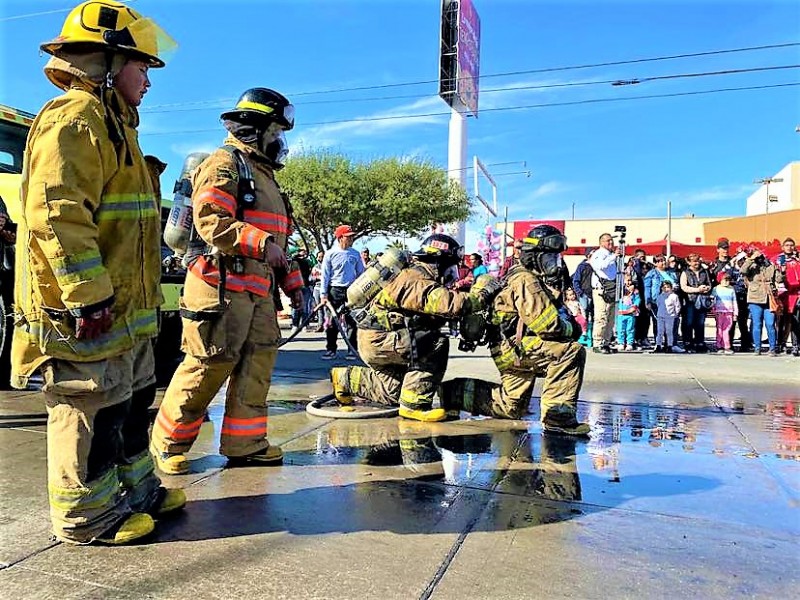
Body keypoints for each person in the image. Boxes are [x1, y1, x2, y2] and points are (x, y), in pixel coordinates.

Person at [10, 1, 183, 545]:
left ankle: (133, 492)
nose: (148, 80)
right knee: (85, 405)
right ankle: (86, 518)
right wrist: (86, 295)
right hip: (87, 309)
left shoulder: (115, 126)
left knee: (125, 404)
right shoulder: (73, 118)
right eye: (141, 67)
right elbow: (55, 214)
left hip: (124, 310)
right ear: (107, 64)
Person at [150, 87, 303, 474]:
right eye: (276, 132)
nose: (280, 142)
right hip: (220, 287)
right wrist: (260, 242)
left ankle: (246, 443)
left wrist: (296, 288)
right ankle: (167, 445)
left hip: (257, 293)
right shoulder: (224, 164)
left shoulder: (265, 177)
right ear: (256, 128)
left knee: (257, 366)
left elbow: (280, 246)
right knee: (206, 367)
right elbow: (211, 222)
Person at [438, 225, 591, 437]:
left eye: (556, 257)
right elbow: (547, 327)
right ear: (535, 256)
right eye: (549, 257)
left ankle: (452, 392)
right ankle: (558, 418)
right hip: (514, 348)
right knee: (570, 351)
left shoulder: (528, 277)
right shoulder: (525, 280)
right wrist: (573, 327)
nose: (554, 262)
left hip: (507, 347)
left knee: (511, 406)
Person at [329, 233, 500, 422]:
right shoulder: (415, 278)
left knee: (393, 391)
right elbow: (450, 304)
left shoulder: (416, 274)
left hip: (378, 339)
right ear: (438, 261)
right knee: (436, 343)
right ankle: (415, 405)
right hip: (382, 339)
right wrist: (481, 295)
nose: (451, 273)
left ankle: (344, 378)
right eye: (449, 266)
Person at [320, 224, 365, 360]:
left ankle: (352, 349)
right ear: (340, 238)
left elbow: (361, 274)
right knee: (332, 321)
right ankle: (331, 349)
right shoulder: (330, 254)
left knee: (352, 321)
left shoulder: (355, 254)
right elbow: (325, 275)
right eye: (348, 237)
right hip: (334, 290)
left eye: (352, 237)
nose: (351, 239)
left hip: (351, 291)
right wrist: (323, 294)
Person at [741, 248, 784, 356]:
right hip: (755, 297)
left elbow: (779, 279)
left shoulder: (770, 265)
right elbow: (743, 271)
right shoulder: (751, 265)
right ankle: (757, 347)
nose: (760, 259)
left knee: (770, 323)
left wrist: (779, 269)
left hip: (769, 297)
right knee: (757, 323)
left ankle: (772, 348)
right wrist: (751, 259)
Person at [589, 233, 622, 353]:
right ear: (601, 242)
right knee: (601, 316)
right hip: (601, 289)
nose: (611, 243)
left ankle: (606, 342)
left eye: (611, 241)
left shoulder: (611, 255)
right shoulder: (598, 254)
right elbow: (600, 266)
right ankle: (597, 342)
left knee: (610, 318)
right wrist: (613, 256)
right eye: (608, 241)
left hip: (612, 288)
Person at [679, 253, 713, 353]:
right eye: (694, 261)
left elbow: (709, 284)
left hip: (702, 300)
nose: (696, 263)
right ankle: (688, 342)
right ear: (689, 262)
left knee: (700, 323)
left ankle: (700, 342)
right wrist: (697, 289)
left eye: (698, 260)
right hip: (690, 301)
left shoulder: (704, 271)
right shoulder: (685, 273)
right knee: (689, 322)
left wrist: (706, 288)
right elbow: (684, 287)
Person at [776, 238, 800, 355]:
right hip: (782, 294)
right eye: (787, 245)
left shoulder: (797, 261)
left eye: (791, 245)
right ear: (782, 247)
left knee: (795, 320)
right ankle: (780, 343)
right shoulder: (777, 260)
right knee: (781, 321)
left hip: (794, 294)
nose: (789, 247)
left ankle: (795, 345)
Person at [572, 248, 595, 347]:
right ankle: (583, 334)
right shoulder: (582, 266)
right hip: (584, 293)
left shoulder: (596, 266)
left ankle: (591, 335)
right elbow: (576, 279)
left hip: (594, 293)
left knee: (593, 316)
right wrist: (579, 292)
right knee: (584, 314)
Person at [711, 272, 737, 354]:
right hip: (719, 312)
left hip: (729, 312)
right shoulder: (716, 289)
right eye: (724, 280)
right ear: (720, 280)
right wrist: (713, 309)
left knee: (726, 330)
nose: (726, 282)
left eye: (728, 280)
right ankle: (719, 346)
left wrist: (735, 313)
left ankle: (727, 346)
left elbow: (734, 302)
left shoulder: (731, 289)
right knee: (719, 330)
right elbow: (713, 301)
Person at [653, 281, 682, 353]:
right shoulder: (660, 296)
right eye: (664, 287)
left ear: (671, 288)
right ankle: (658, 345)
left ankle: (669, 345)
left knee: (669, 332)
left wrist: (675, 314)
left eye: (668, 287)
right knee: (660, 331)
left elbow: (677, 306)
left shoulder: (674, 296)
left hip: (670, 316)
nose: (666, 289)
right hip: (660, 316)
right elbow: (658, 304)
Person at [615, 280, 639, 352]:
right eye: (626, 283)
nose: (628, 285)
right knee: (620, 329)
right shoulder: (620, 293)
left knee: (630, 329)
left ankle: (629, 343)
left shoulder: (635, 294)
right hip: (621, 314)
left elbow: (637, 301)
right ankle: (621, 343)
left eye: (630, 283)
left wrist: (634, 307)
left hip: (630, 314)